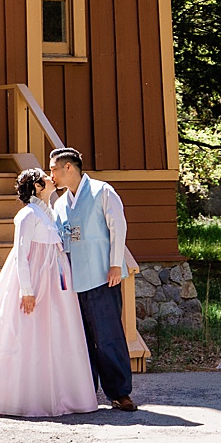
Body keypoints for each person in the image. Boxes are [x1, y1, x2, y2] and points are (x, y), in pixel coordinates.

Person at [0, 168, 100, 418]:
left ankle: (62, 394)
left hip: (55, 282)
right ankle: (22, 395)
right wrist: (27, 290)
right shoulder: (27, 215)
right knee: (28, 333)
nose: (50, 177)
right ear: (36, 187)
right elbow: (21, 254)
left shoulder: (50, 213)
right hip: (36, 280)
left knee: (57, 331)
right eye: (45, 176)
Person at [50, 145, 138, 411]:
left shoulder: (103, 191)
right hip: (75, 281)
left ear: (69, 168)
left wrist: (114, 265)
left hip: (102, 276)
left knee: (108, 334)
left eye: (54, 169)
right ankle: (87, 392)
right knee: (83, 339)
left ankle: (119, 393)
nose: (51, 174)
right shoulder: (61, 203)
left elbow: (117, 228)